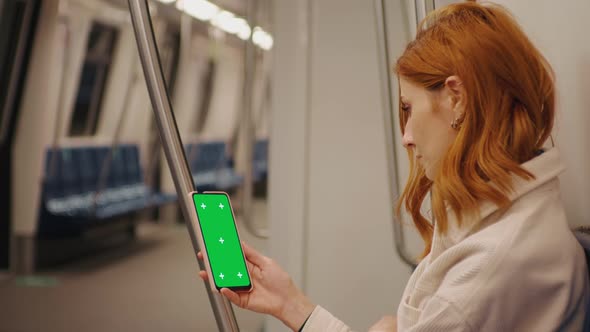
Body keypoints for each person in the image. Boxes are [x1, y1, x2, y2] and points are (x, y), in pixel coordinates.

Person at [198, 2, 590, 331]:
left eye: (408, 109)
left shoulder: (484, 274)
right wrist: (290, 304)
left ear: (457, 99)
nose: (406, 137)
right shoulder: (514, 209)